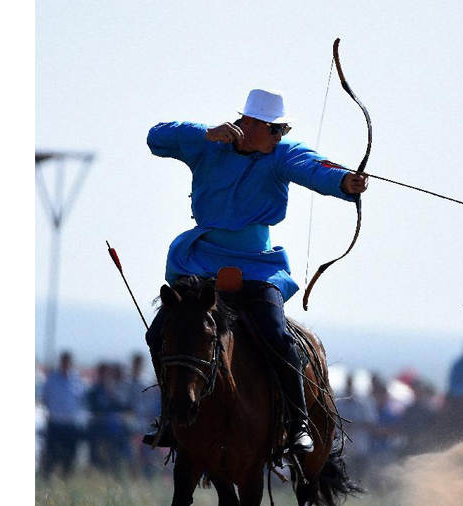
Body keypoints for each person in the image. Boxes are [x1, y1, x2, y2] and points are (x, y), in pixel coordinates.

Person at [143, 88, 368, 455]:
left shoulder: (281, 154)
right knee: (159, 334)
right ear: (248, 124)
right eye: (275, 129)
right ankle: (171, 414)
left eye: (282, 130)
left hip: (257, 266)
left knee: (277, 336)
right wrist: (205, 134)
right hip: (200, 262)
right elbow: (156, 137)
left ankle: (297, 425)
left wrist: (344, 182)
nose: (280, 136)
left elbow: (315, 167)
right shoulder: (207, 141)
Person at [40, 351, 86, 477]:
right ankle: (48, 478)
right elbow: (45, 398)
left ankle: (66, 478)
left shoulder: (76, 379)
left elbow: (81, 399)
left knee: (69, 455)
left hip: (70, 424)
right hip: (55, 422)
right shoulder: (52, 378)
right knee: (52, 454)